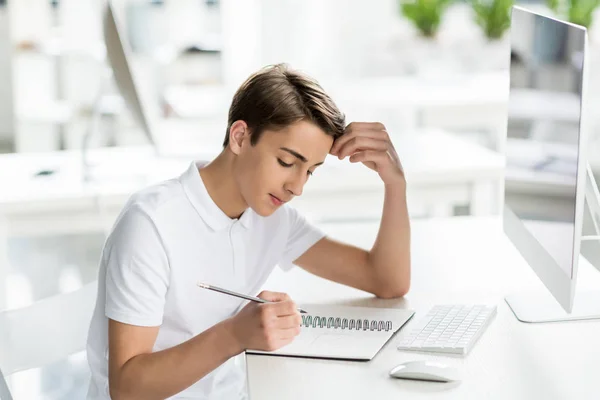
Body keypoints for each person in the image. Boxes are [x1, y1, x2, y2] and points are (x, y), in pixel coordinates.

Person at [86, 63, 411, 399]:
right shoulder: (150, 224)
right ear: (240, 137)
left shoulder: (270, 218)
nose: (296, 187)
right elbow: (125, 388)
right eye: (287, 162)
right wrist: (234, 335)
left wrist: (395, 184)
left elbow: (386, 281)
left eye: (310, 171)